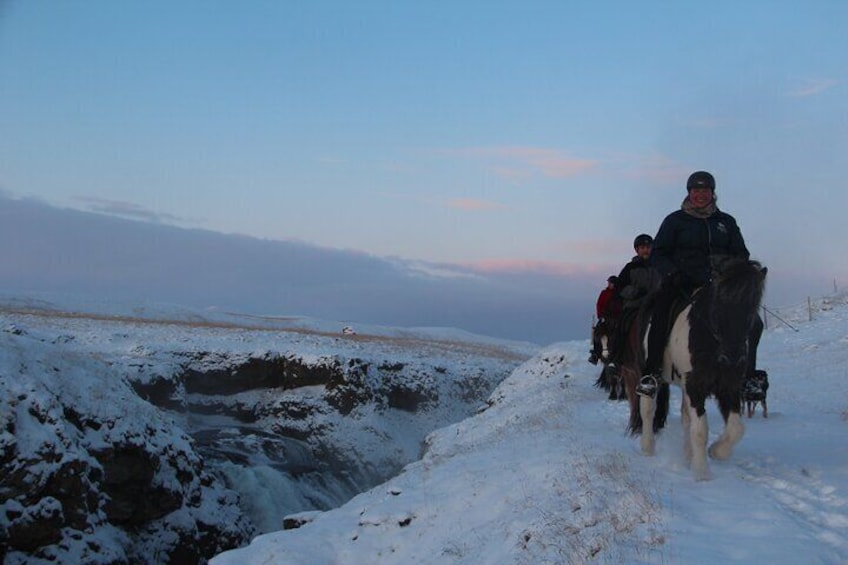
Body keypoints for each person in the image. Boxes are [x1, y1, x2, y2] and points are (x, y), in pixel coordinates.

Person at [637, 170, 752, 397]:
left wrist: (732, 271)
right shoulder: (674, 220)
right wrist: (672, 272)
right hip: (682, 283)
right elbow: (658, 253)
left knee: (753, 322)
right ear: (689, 193)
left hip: (719, 286)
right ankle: (652, 373)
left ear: (713, 193)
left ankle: (748, 375)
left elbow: (741, 253)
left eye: (705, 190)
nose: (701, 195)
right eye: (696, 190)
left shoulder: (726, 222)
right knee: (660, 314)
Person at [610, 233, 662, 364]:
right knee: (623, 326)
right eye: (642, 247)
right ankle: (615, 359)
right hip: (635, 305)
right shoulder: (630, 268)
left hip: (656, 305)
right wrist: (635, 292)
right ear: (637, 250)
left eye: (648, 247)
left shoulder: (660, 266)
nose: (646, 250)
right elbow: (619, 287)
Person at [588, 275, 620, 364]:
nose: (609, 284)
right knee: (597, 333)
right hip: (605, 317)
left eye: (611, 283)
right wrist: (601, 316)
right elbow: (599, 304)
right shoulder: (604, 293)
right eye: (609, 283)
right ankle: (595, 354)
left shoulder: (618, 294)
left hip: (615, 318)